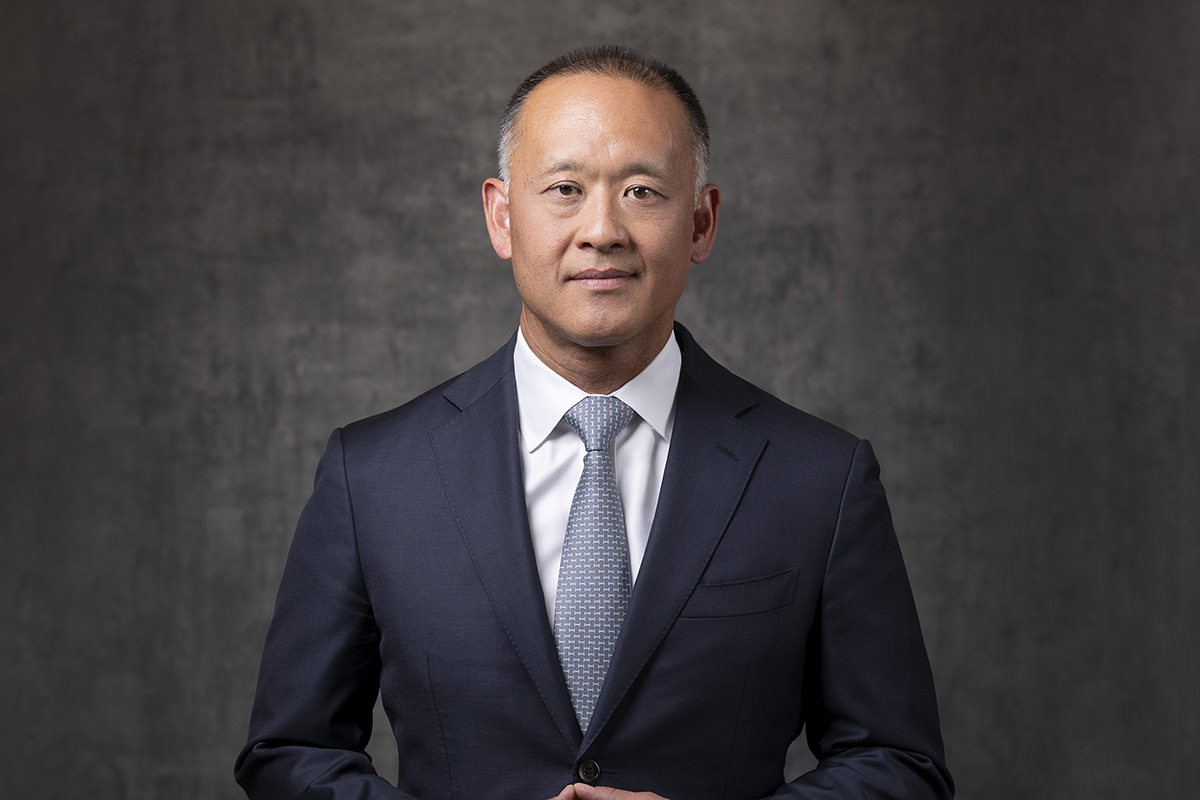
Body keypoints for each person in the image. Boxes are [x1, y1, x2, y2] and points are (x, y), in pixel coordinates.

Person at [235, 46, 954, 800]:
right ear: (502, 216)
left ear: (702, 222)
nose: (602, 229)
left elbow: (899, 765)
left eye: (643, 190)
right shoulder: (373, 474)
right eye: (566, 189)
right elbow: (290, 751)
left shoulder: (820, 478)